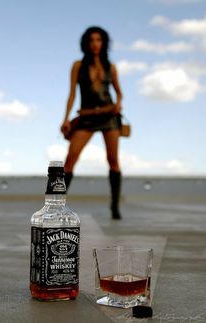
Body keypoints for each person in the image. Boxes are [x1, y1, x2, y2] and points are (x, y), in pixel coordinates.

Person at [61, 26, 123, 219]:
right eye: (91, 40)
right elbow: (72, 93)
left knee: (113, 161)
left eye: (98, 40)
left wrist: (119, 104)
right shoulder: (78, 65)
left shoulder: (110, 67)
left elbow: (119, 93)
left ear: (103, 43)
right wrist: (65, 118)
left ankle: (114, 206)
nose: (95, 44)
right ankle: (57, 205)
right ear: (86, 44)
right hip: (86, 117)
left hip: (109, 117)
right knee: (70, 160)